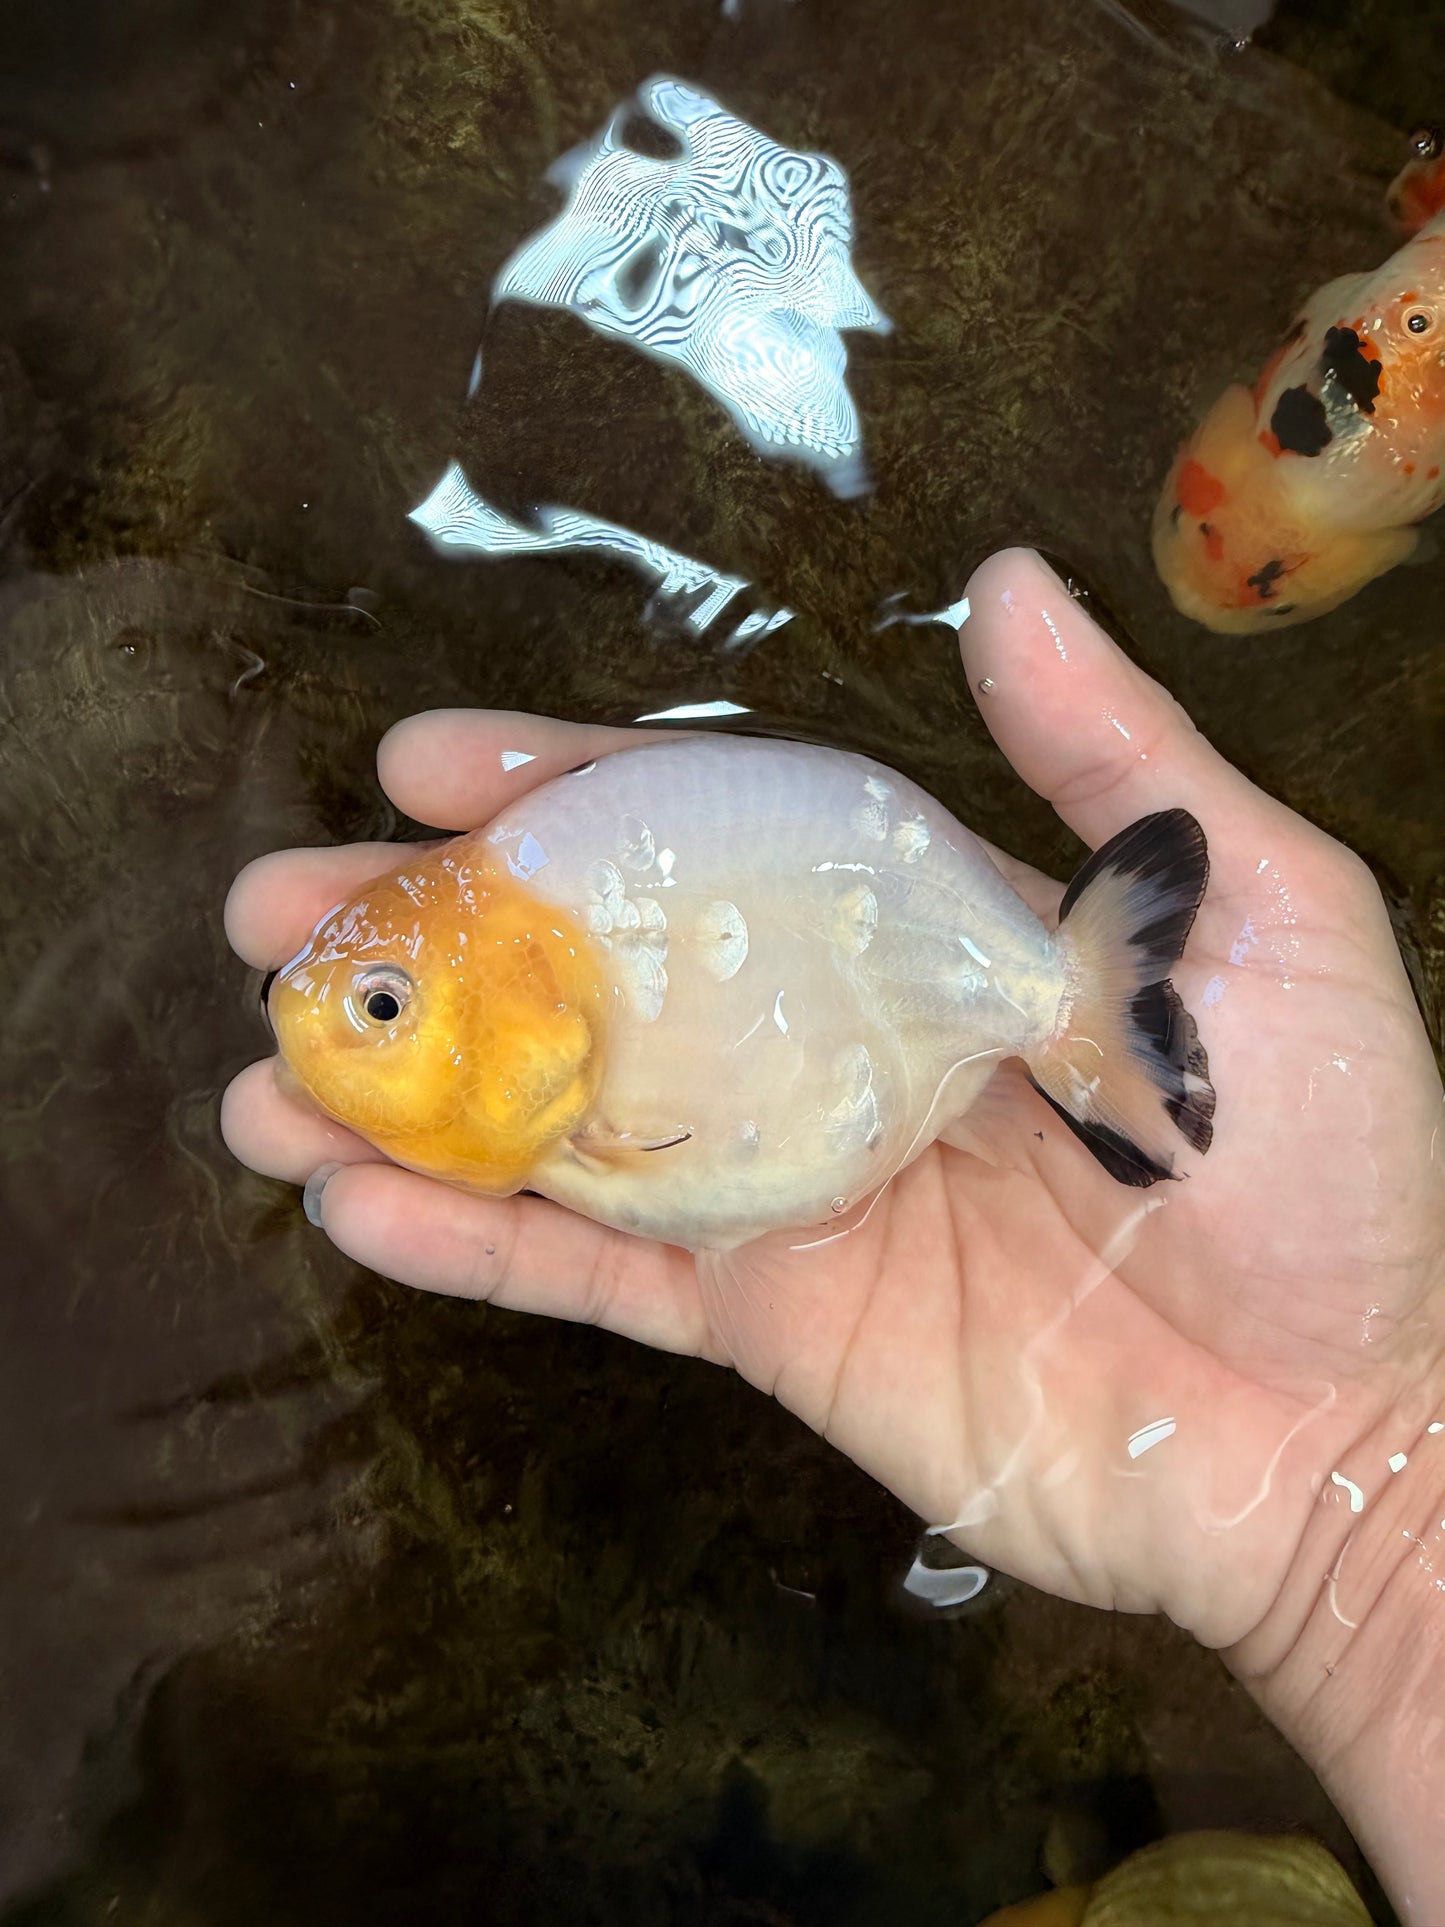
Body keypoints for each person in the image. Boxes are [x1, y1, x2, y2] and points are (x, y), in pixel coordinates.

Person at [222, 549, 1445, 1924]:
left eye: (382, 1007)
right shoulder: (537, 932)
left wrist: (1386, 1501)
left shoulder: (558, 983)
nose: (341, 1024)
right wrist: (1378, 1524)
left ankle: (1070, 1001)